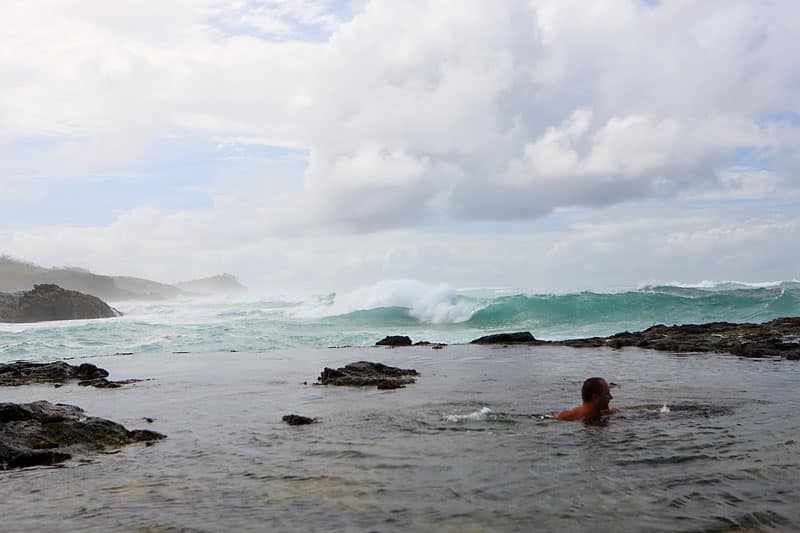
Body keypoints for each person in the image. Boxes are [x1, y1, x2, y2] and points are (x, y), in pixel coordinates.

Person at [555, 377, 620, 423]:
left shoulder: (610, 413)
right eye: (607, 394)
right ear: (595, 397)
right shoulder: (564, 417)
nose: (611, 397)